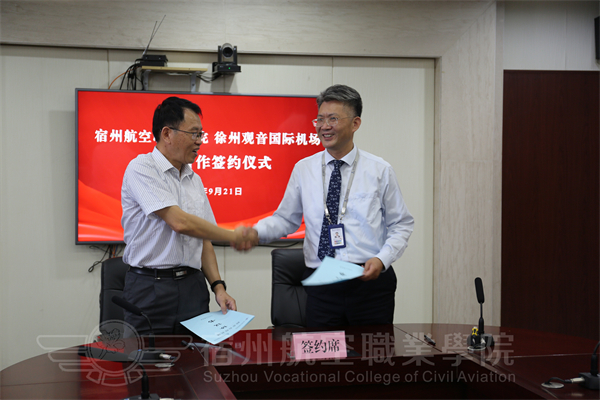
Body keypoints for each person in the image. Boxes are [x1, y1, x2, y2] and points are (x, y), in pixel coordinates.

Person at [243, 84, 414, 327]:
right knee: (323, 351)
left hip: (369, 285)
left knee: (371, 351)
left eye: (333, 119)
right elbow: (285, 219)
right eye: (320, 119)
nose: (324, 126)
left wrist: (382, 259)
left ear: (355, 123)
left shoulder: (379, 170)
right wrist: (255, 232)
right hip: (321, 285)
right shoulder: (304, 169)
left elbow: (401, 224)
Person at [121, 96, 251, 335]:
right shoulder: (141, 168)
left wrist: (218, 287)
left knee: (195, 356)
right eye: (193, 133)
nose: (199, 141)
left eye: (201, 134)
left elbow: (203, 240)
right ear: (167, 133)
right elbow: (179, 222)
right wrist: (232, 235)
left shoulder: (194, 179)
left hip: (192, 287)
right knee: (145, 357)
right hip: (149, 288)